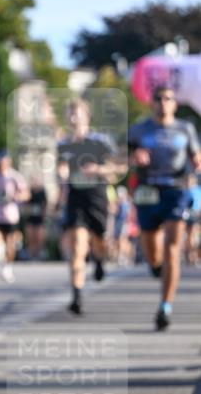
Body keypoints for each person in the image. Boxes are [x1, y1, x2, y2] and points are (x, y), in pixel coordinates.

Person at [128, 86, 201, 329]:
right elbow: (123, 156)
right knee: (152, 252)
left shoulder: (185, 128)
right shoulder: (140, 129)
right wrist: (134, 157)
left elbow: (196, 155)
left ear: (174, 104)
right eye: (158, 98)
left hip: (176, 190)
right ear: (152, 103)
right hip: (148, 190)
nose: (162, 102)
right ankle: (156, 266)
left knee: (172, 247)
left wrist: (197, 162)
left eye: (167, 98)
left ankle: (165, 306)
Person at [57, 97, 121, 315]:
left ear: (87, 116)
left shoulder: (100, 141)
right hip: (76, 198)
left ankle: (100, 260)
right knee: (77, 246)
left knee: (100, 241)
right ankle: (77, 295)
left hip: (97, 197)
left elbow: (117, 168)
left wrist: (98, 170)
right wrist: (62, 176)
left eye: (78, 114)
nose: (74, 118)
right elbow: (61, 167)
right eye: (71, 114)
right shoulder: (63, 144)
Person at [0, 150, 30, 284]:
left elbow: (26, 194)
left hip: (10, 216)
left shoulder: (14, 177)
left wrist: (16, 197)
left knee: (10, 244)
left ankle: (8, 267)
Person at [23, 179, 48, 260]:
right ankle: (31, 254)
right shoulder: (29, 191)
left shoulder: (42, 192)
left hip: (39, 219)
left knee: (39, 237)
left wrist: (44, 213)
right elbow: (25, 204)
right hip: (30, 218)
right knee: (30, 237)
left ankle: (38, 254)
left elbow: (45, 204)